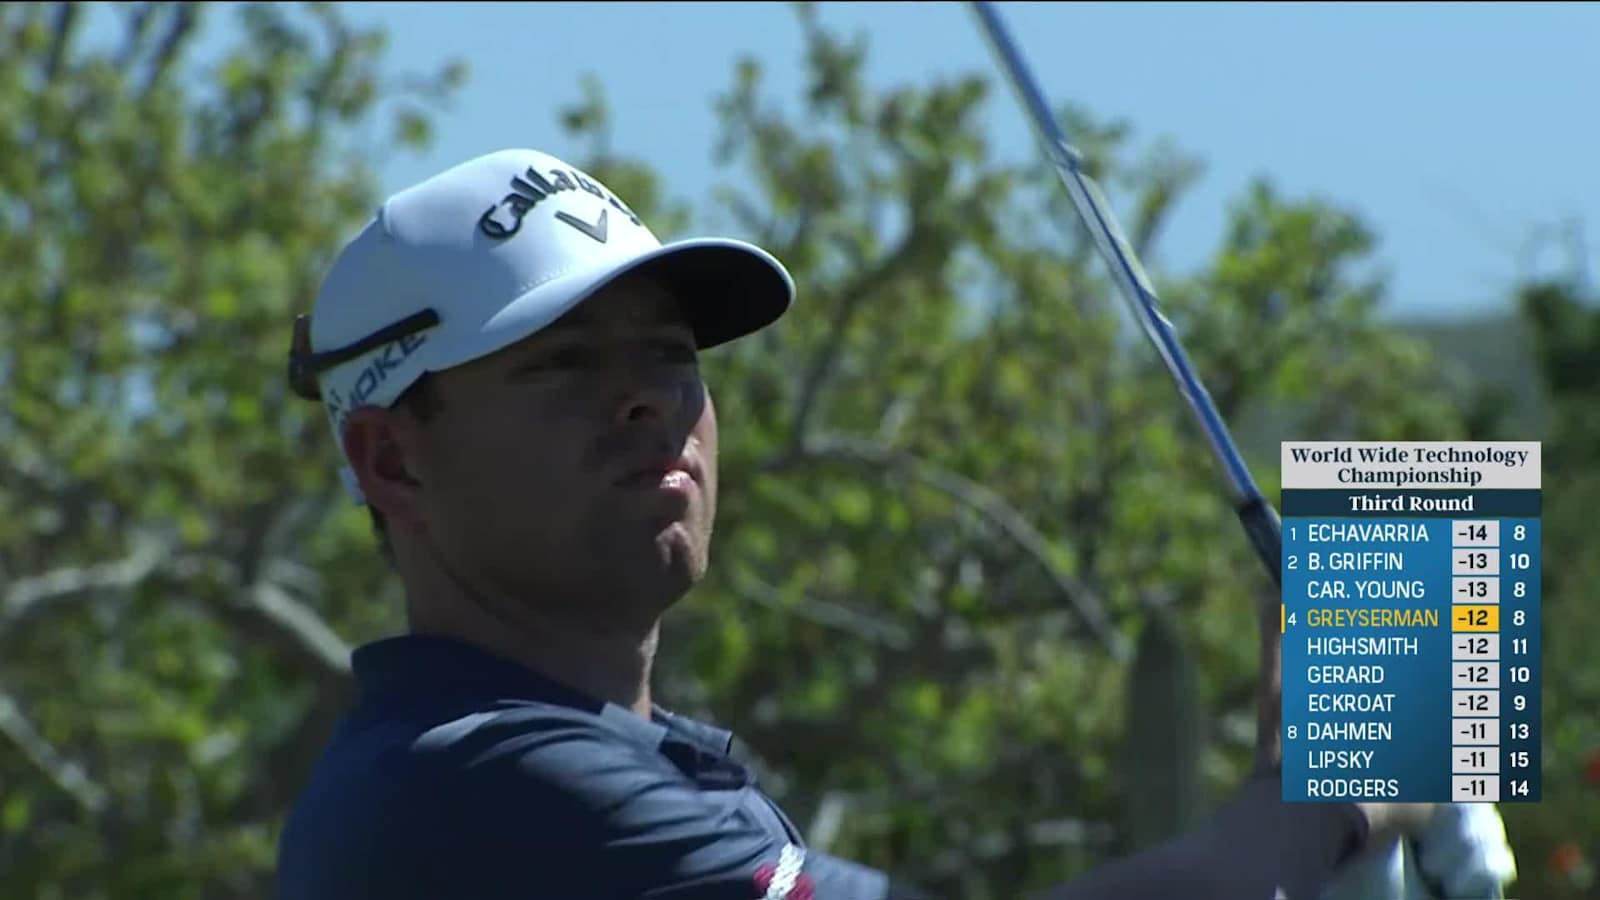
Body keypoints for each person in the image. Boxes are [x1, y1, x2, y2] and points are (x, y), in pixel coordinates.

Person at [276, 147, 1444, 900]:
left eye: (670, 355)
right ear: (392, 458)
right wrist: (1346, 782)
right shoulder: (483, 782)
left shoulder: (598, 756)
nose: (646, 397)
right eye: (563, 363)